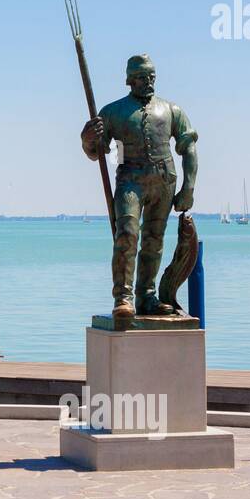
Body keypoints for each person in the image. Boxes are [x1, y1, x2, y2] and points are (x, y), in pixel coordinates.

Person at [80, 54, 197, 320]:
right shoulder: (113, 111)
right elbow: (96, 152)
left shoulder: (171, 110)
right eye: (143, 77)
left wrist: (188, 187)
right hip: (130, 180)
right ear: (130, 80)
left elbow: (189, 147)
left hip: (164, 180)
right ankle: (123, 296)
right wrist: (87, 139)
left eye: (152, 76)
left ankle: (147, 296)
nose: (149, 81)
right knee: (127, 235)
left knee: (154, 242)